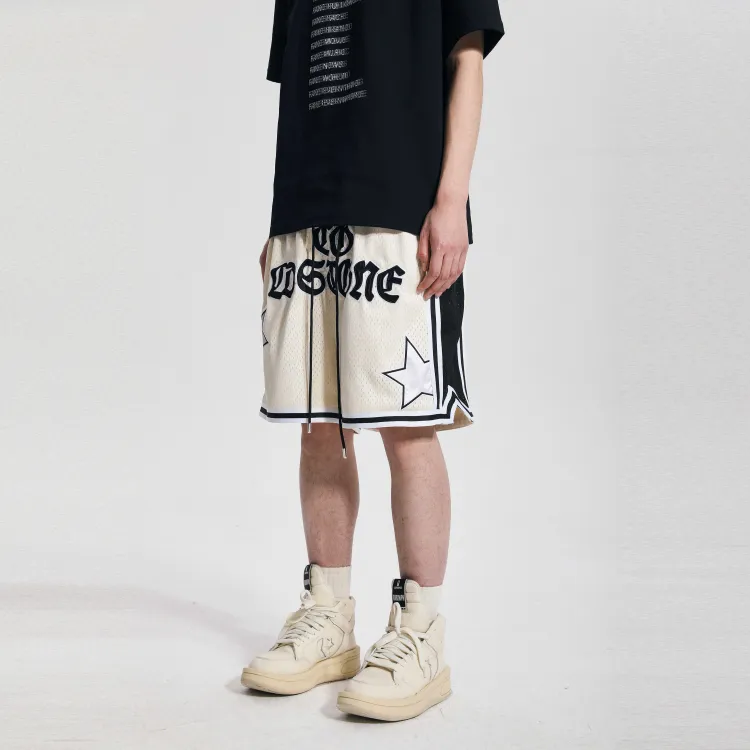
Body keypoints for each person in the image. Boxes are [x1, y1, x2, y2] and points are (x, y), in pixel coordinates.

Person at [241, 0, 504, 722]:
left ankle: (420, 631)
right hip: (304, 218)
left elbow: (467, 56)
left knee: (406, 426)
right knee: (317, 425)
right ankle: (328, 616)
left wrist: (452, 199)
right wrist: (280, 224)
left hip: (400, 214)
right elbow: (302, 100)